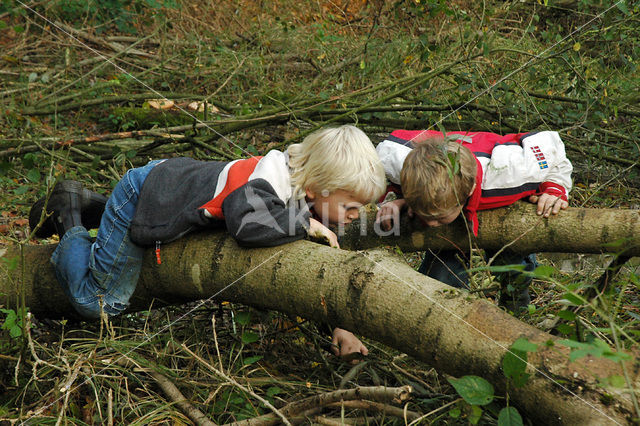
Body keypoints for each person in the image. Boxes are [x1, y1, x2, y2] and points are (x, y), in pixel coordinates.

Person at [29, 125, 386, 359]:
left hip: (167, 193)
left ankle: (99, 211)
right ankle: (71, 215)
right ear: (315, 189)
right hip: (144, 193)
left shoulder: (305, 196)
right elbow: (246, 224)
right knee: (98, 300)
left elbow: (317, 273)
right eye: (350, 205)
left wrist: (341, 325)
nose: (357, 213)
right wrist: (304, 225)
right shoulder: (269, 180)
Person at [375, 129, 573, 311]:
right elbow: (383, 164)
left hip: (507, 212)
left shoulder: (512, 171)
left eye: (439, 217)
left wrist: (554, 187)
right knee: (440, 279)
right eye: (423, 214)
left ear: (468, 191)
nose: (432, 224)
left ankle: (517, 307)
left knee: (514, 267)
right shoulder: (398, 160)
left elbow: (550, 143)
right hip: (446, 192)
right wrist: (396, 197)